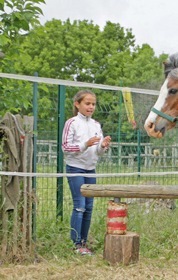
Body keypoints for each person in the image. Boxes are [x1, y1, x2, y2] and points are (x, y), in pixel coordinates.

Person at [61, 90, 111, 255]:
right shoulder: (72, 123)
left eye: (93, 104)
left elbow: (98, 151)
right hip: (75, 168)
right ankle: (75, 245)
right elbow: (66, 148)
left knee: (89, 207)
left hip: (91, 169)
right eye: (87, 103)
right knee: (80, 206)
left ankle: (84, 242)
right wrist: (85, 144)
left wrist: (102, 146)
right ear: (77, 104)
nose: (91, 107)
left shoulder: (96, 125)